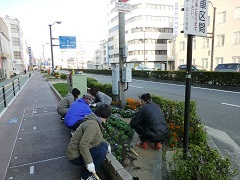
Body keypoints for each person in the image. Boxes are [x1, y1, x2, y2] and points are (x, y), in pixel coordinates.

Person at [67, 104, 112, 180]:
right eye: (106, 118)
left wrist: (107, 144)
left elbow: (98, 137)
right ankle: (85, 177)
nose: (106, 120)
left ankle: (92, 165)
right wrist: (89, 163)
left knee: (103, 146)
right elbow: (83, 145)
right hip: (75, 156)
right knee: (101, 152)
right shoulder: (92, 125)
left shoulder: (93, 120)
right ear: (104, 116)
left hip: (78, 152)